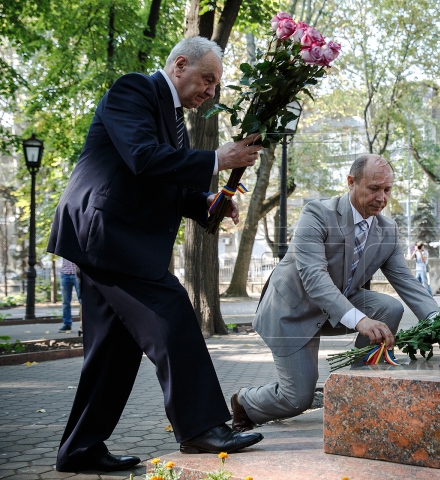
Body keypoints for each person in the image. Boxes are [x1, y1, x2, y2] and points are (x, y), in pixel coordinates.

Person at [47, 37, 265, 473]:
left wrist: (204, 203)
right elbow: (143, 159)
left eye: (215, 84)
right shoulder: (134, 90)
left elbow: (167, 183)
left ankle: (80, 449)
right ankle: (201, 427)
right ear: (180, 65)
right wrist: (217, 159)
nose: (211, 91)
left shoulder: (175, 122)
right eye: (207, 79)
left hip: (114, 239)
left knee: (113, 350)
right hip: (106, 234)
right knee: (172, 313)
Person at [229, 154, 439, 431]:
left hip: (336, 308)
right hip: (291, 313)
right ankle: (245, 401)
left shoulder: (388, 230)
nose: (382, 197)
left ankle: (358, 391)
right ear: (351, 182)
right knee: (296, 399)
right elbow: (314, 278)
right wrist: (361, 321)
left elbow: (407, 282)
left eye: (387, 190)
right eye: (374, 188)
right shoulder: (317, 214)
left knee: (390, 308)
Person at [58, 258, 80, 333]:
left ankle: (85, 325)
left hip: (78, 273)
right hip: (65, 273)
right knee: (65, 302)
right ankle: (67, 324)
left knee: (82, 300)